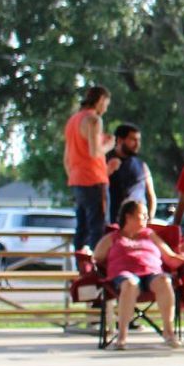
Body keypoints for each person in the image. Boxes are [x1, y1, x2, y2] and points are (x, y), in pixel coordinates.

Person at [92, 199, 184, 349]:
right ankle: (122, 336)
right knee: (130, 284)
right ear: (128, 217)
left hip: (151, 273)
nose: (146, 219)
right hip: (124, 275)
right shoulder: (112, 238)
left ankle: (169, 333)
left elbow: (170, 258)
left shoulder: (150, 234)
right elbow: (96, 258)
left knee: (165, 281)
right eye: (142, 215)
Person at [64, 85, 113, 252]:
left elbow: (67, 158)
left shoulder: (72, 121)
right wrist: (109, 144)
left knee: (82, 227)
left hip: (77, 180)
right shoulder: (94, 120)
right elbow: (95, 152)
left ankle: (81, 269)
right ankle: (96, 271)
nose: (105, 109)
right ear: (100, 100)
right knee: (98, 229)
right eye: (105, 104)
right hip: (94, 179)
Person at [107, 123, 156, 222]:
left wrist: (149, 219)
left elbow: (151, 196)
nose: (137, 144)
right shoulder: (105, 161)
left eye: (139, 140)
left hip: (139, 223)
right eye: (133, 139)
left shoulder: (142, 165)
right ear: (120, 140)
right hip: (113, 223)